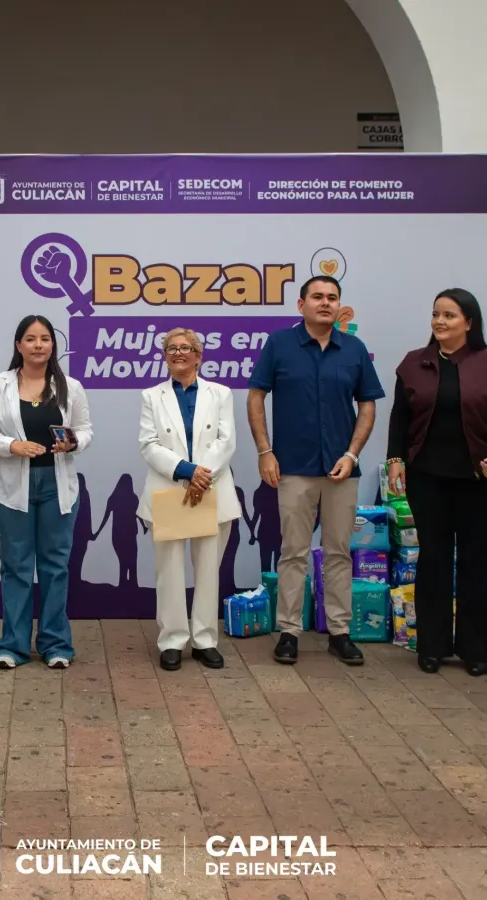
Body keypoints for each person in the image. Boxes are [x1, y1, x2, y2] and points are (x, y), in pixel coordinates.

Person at [386, 289, 487, 676]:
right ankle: (431, 646)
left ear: (469, 322)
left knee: (476, 559)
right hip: (427, 478)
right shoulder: (414, 363)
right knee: (433, 558)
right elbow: (399, 417)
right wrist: (395, 459)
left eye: (449, 315)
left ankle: (476, 649)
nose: (439, 321)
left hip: (481, 479)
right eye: (436, 314)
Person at [248, 275, 386, 665]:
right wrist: (265, 451)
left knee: (339, 552)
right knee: (293, 552)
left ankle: (339, 632)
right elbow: (256, 396)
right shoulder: (279, 344)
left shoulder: (354, 349)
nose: (325, 303)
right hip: (293, 467)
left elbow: (368, 404)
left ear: (339, 305)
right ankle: (289, 632)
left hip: (341, 469)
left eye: (332, 297)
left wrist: (353, 454)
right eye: (317, 297)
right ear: (301, 304)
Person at [0, 315, 92, 670]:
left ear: (53, 345)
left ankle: (56, 644)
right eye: (30, 338)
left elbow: (85, 430)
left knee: (56, 566)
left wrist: (73, 443)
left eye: (45, 338)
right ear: (18, 345)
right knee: (16, 565)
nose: (38, 344)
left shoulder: (71, 387)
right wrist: (11, 445)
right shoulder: (0, 385)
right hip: (12, 488)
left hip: (58, 486)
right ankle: (12, 645)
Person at [137, 328, 237, 671]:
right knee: (169, 570)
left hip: (211, 488)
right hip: (170, 489)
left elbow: (226, 441)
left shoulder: (221, 393)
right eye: (171, 348)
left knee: (208, 569)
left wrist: (201, 476)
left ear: (198, 356)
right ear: (165, 357)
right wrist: (186, 471)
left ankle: (205, 640)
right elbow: (148, 444)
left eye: (185, 347)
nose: (178, 353)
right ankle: (172, 640)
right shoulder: (151, 396)